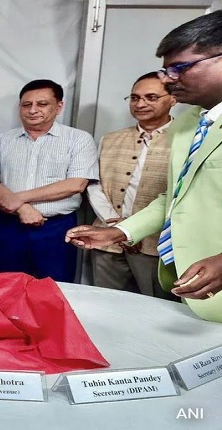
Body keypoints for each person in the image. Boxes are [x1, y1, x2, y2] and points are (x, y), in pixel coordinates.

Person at [66, 11, 222, 323]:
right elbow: (177, 197)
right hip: (188, 277)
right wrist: (119, 231)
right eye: (165, 70)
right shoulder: (191, 123)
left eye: (180, 68)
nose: (168, 79)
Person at [0, 79, 98, 282]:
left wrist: (18, 198)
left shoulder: (79, 139)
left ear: (59, 106)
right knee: (4, 288)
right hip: (9, 227)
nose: (33, 110)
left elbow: (76, 184)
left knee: (55, 290)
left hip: (57, 229)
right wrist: (23, 209)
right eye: (26, 104)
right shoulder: (0, 141)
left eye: (42, 104)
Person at [85, 72, 177, 300]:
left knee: (155, 309)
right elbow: (94, 185)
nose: (140, 103)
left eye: (151, 97)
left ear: (173, 99)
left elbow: (180, 193)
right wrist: (115, 226)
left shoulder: (186, 139)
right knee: (104, 305)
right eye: (134, 98)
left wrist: (135, 230)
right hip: (106, 241)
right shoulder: (111, 139)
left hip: (155, 245)